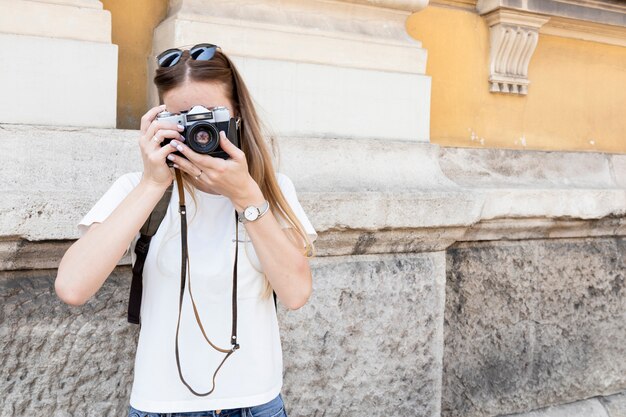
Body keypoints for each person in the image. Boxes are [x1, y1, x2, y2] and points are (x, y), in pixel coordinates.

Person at [55, 44, 316, 417]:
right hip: (159, 406)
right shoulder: (138, 189)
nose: (199, 128)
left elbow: (295, 294)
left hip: (255, 404)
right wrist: (151, 183)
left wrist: (246, 197)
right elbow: (72, 288)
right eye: (182, 118)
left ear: (237, 112)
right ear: (160, 120)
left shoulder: (272, 191)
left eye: (210, 114)